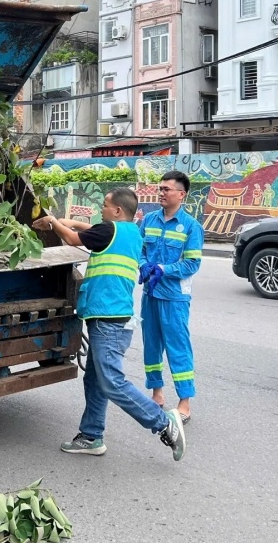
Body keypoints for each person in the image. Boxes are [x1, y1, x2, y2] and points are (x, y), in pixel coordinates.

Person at [32, 188, 186, 462]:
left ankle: (162, 422)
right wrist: (76, 223)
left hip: (109, 318)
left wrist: (53, 222)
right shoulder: (130, 232)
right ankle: (91, 436)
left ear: (117, 211)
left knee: (111, 381)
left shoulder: (108, 230)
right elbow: (93, 231)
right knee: (95, 379)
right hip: (113, 316)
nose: (100, 209)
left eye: (104, 205)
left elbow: (72, 238)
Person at [138, 170, 204, 423]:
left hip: (175, 298)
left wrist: (163, 269)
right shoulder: (149, 220)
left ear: (181, 194)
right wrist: (144, 264)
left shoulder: (190, 227)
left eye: (167, 189)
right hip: (150, 294)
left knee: (178, 348)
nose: (161, 192)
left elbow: (191, 265)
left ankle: (184, 402)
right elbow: (141, 250)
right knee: (151, 346)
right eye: (160, 188)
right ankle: (157, 394)